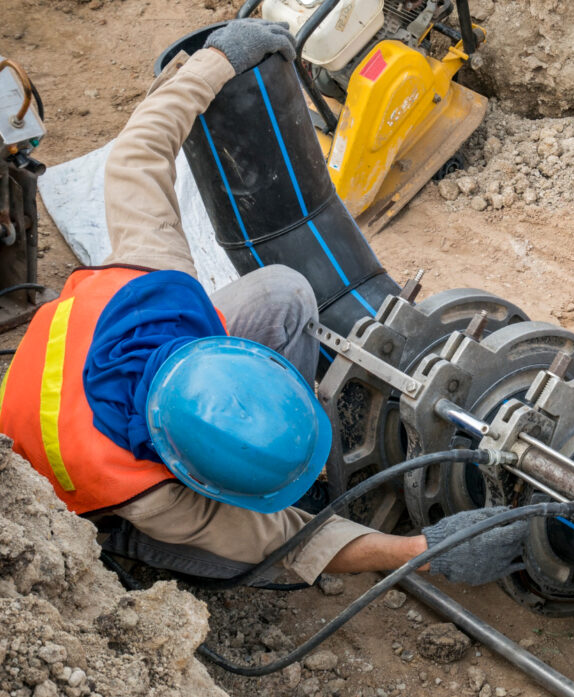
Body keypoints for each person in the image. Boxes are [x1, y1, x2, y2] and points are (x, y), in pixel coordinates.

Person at [0, 19, 523, 587]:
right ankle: (130, 546)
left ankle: (283, 462)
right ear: (186, 477)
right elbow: (292, 542)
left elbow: (139, 149)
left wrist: (217, 60)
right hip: (85, 494)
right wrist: (424, 549)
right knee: (268, 567)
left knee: (283, 292)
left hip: (95, 389)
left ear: (218, 352)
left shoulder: (153, 284)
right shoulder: (151, 496)